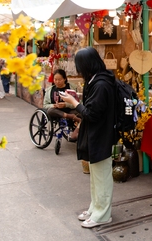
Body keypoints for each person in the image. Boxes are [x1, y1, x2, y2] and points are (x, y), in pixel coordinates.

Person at [59, 47, 117, 229]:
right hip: (96, 134)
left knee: (101, 177)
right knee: (96, 176)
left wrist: (73, 103)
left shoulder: (101, 84)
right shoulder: (96, 80)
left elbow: (92, 114)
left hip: (101, 135)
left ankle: (102, 214)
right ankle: (95, 209)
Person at [43, 69, 80, 140]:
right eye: (55, 79)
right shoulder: (50, 90)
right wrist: (54, 105)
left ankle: (77, 132)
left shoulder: (72, 88)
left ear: (65, 79)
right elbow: (45, 105)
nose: (57, 82)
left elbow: (78, 102)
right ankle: (70, 116)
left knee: (82, 113)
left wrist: (65, 105)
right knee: (50, 111)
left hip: (70, 110)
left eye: (59, 79)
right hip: (57, 111)